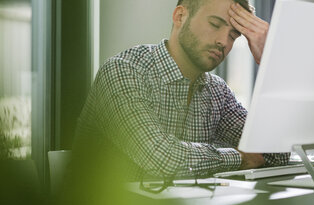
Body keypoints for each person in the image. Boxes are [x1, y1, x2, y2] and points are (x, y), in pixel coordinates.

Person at [72, 0, 289, 181]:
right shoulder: (123, 71)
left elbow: (276, 154)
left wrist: (270, 61)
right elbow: (161, 158)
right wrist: (239, 158)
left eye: (233, 36)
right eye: (215, 24)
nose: (223, 42)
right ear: (180, 17)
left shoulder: (217, 91)